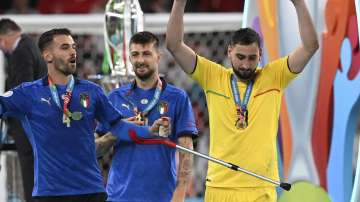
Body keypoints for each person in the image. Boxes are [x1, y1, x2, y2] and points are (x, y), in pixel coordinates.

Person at [166, 0, 319, 201]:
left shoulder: (274, 76)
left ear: (260, 56)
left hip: (260, 188)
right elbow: (174, 45)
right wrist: (179, 4)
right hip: (219, 188)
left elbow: (310, 47)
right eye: (240, 57)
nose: (246, 64)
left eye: (252, 58)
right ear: (229, 51)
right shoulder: (213, 76)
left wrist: (299, 4)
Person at [0, 28, 166, 202]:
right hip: (49, 193)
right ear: (48, 56)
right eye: (65, 47)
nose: (73, 52)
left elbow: (118, 127)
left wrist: (150, 131)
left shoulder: (92, 91)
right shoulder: (28, 93)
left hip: (91, 191)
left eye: (73, 47)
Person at [96, 31, 198, 202]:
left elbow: (186, 150)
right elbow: (95, 150)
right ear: (129, 58)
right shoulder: (115, 97)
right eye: (135, 54)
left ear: (159, 57)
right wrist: (119, 130)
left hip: (162, 197)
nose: (140, 60)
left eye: (146, 54)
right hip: (119, 197)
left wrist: (180, 194)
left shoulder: (177, 98)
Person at [0, 18, 47, 202]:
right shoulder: (30, 45)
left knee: (30, 173)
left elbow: (22, 90)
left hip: (26, 125)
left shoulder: (21, 51)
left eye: (1, 41)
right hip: (33, 124)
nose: (2, 47)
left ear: (8, 35)